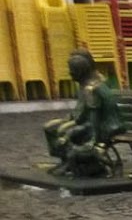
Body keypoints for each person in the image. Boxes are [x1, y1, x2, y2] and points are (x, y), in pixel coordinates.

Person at [43, 50, 123, 178]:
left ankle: (81, 165)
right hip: (91, 121)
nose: (70, 73)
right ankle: (65, 160)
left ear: (80, 72)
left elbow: (94, 116)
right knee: (50, 128)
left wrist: (94, 139)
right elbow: (81, 109)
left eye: (72, 70)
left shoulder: (92, 88)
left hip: (106, 126)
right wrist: (69, 119)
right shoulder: (84, 85)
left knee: (66, 132)